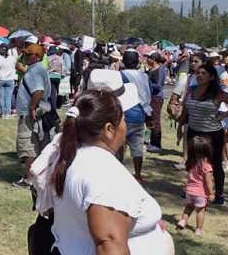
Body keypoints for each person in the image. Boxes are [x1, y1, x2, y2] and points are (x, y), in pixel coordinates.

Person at [48, 89, 173, 254]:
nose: (125, 126)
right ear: (109, 129)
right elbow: (110, 245)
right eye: (123, 120)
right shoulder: (104, 175)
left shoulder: (76, 155)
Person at [181, 64, 228, 206]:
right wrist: (181, 126)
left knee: (215, 164)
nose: (199, 75)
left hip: (212, 134)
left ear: (211, 77)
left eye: (203, 73)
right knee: (192, 162)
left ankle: (219, 194)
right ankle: (193, 189)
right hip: (194, 131)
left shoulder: (217, 93)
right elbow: (186, 109)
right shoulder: (191, 90)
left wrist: (224, 115)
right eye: (197, 72)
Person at [14, 43, 53, 188]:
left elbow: (38, 91)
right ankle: (38, 177)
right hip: (39, 112)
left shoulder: (34, 71)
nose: (25, 57)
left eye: (28, 54)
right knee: (39, 144)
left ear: (36, 56)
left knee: (29, 146)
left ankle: (29, 179)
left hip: (30, 114)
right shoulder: (38, 69)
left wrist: (31, 107)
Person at [119, 50, 152, 182]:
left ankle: (118, 172)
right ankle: (138, 174)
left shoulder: (119, 75)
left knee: (120, 145)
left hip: (123, 114)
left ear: (123, 61)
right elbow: (148, 94)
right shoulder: (144, 76)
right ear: (138, 62)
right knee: (137, 147)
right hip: (139, 114)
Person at [177, 137, 215, 235]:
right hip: (200, 193)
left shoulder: (191, 163)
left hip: (189, 191)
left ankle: (182, 221)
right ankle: (198, 229)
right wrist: (211, 193)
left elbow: (190, 177)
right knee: (200, 211)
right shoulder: (207, 166)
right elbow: (208, 181)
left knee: (188, 207)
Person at [145, 52, 167, 153]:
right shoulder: (152, 69)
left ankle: (157, 144)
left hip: (156, 98)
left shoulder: (160, 70)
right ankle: (151, 141)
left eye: (148, 58)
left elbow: (158, 86)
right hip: (151, 97)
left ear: (153, 59)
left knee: (156, 120)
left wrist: (147, 82)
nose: (146, 60)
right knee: (151, 119)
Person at [0, 44, 18, 119]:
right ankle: (8, 113)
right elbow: (15, 67)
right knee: (8, 97)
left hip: (0, 79)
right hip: (10, 79)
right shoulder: (12, 58)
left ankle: (3, 113)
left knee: (1, 97)